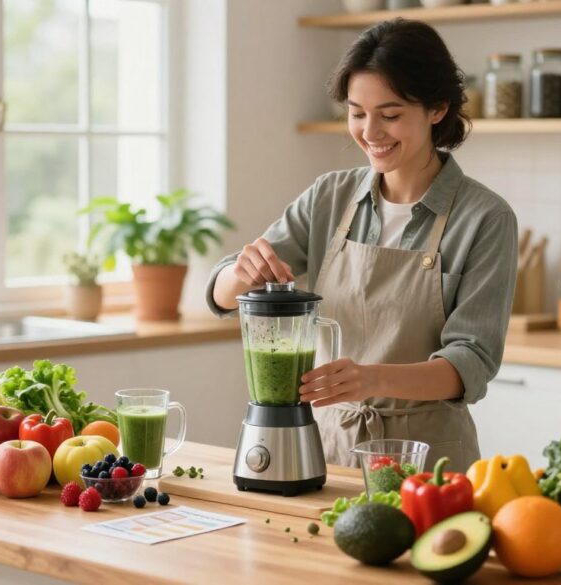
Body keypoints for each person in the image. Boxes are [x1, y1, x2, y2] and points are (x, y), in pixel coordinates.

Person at [205, 19, 518, 471]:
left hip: (427, 464)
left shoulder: (485, 218)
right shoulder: (329, 197)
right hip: (326, 451)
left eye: (390, 115)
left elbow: (470, 365)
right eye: (356, 113)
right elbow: (221, 296)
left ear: (437, 109)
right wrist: (240, 273)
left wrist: (369, 378)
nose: (370, 132)